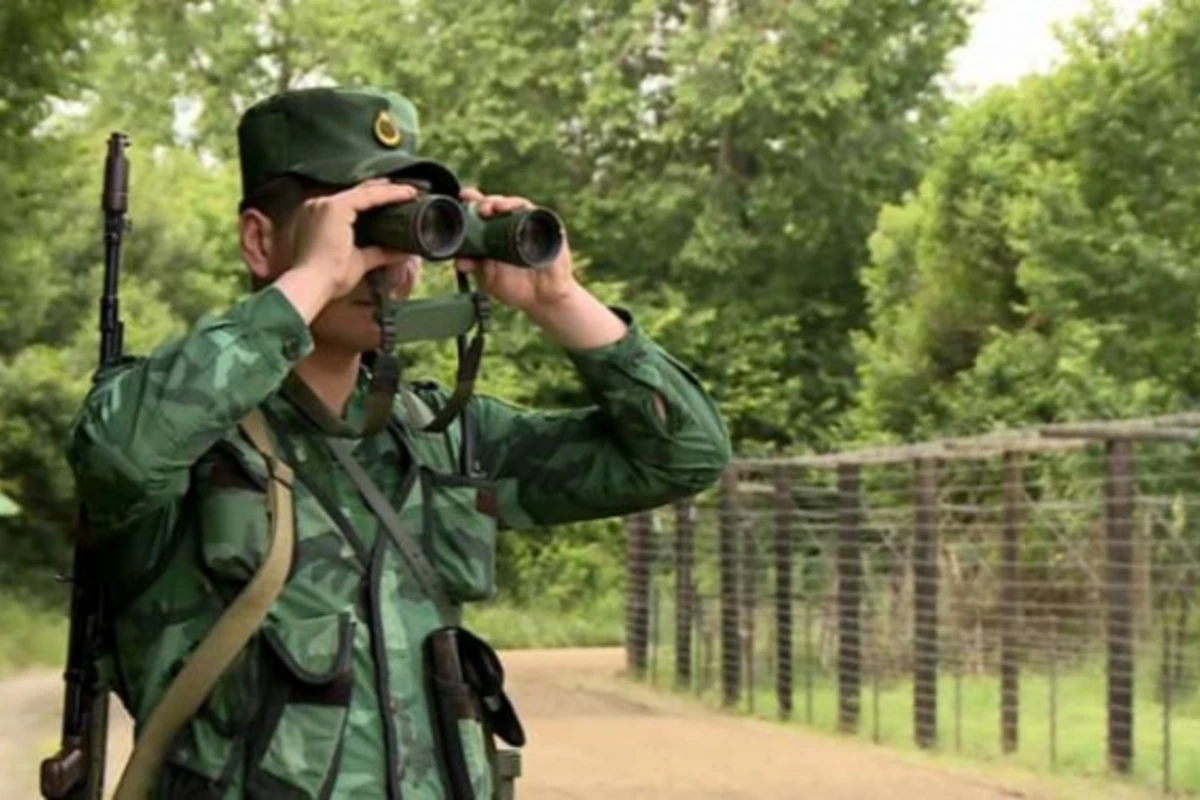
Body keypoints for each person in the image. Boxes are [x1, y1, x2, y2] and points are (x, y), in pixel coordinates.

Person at [65, 85, 731, 799]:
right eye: (359, 227)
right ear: (261, 240)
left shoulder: (442, 437)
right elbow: (119, 457)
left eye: (407, 231)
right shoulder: (183, 426)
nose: (386, 263)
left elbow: (682, 453)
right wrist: (314, 277)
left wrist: (558, 299)